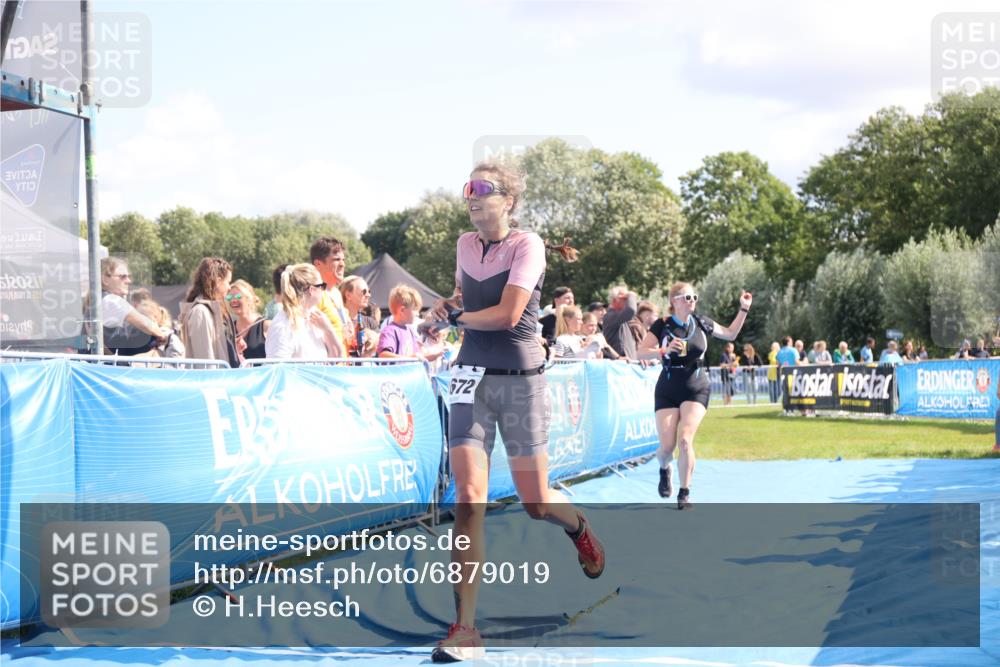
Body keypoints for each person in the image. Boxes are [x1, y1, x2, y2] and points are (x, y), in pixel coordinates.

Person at [427, 161, 604, 662]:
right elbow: (468, 298)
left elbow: (505, 315)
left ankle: (578, 528)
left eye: (483, 189)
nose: (472, 196)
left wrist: (457, 317)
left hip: (521, 383)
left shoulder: (529, 245)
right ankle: (465, 629)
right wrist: (448, 306)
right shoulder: (465, 244)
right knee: (468, 498)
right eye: (467, 189)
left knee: (537, 503)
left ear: (508, 200)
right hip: (471, 381)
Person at [639, 282, 752, 510]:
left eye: (694, 297)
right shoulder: (662, 325)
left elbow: (730, 334)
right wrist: (662, 350)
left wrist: (744, 309)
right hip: (668, 385)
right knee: (667, 447)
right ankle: (664, 468)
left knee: (685, 439)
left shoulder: (702, 322)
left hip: (696, 385)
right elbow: (639, 352)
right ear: (674, 301)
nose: (692, 301)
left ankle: (684, 492)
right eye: (687, 297)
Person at [265, 264, 341, 359]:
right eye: (322, 286)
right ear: (312, 290)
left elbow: (334, 359)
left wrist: (328, 329)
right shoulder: (283, 325)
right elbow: (276, 369)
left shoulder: (315, 317)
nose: (324, 290)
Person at [98, 257, 171, 356]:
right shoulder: (110, 300)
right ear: (105, 280)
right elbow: (145, 324)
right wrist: (162, 335)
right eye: (122, 276)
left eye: (128, 276)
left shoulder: (100, 299)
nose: (128, 281)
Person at [179, 257, 241, 367]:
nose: (229, 287)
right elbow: (205, 359)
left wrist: (231, 346)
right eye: (228, 282)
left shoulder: (212, 309)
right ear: (218, 280)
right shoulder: (201, 312)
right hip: (212, 381)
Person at [378, 285, 442, 362]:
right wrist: (410, 358)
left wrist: (437, 354)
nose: (418, 314)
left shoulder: (410, 331)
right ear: (402, 310)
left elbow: (418, 357)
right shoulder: (390, 331)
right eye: (414, 309)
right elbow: (384, 355)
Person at [310, 237, 349, 357]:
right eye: (336, 259)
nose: (342, 264)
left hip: (343, 366)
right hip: (325, 369)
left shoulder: (337, 293)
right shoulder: (313, 293)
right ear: (318, 264)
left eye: (343, 259)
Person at [227, 279, 268, 362]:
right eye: (229, 297)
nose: (233, 300)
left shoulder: (266, 326)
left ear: (249, 299)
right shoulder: (229, 329)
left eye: (238, 296)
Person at [340, 276, 378, 357]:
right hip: (342, 368)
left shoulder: (369, 322)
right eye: (364, 291)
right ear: (348, 295)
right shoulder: (337, 320)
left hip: (363, 369)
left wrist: (374, 339)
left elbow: (381, 347)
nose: (368, 295)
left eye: (369, 291)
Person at [603, 285, 639, 359]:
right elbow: (631, 310)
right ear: (615, 300)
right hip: (617, 363)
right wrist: (631, 295)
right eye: (625, 299)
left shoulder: (621, 317)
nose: (628, 301)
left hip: (627, 362)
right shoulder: (610, 316)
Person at [719, 342, 739, 406]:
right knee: (726, 390)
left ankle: (730, 403)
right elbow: (721, 365)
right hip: (725, 375)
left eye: (733, 348)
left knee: (731, 390)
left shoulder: (733, 355)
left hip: (731, 375)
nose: (732, 349)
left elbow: (736, 365)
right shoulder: (724, 355)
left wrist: (735, 362)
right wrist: (730, 364)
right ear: (727, 348)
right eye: (731, 348)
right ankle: (725, 404)